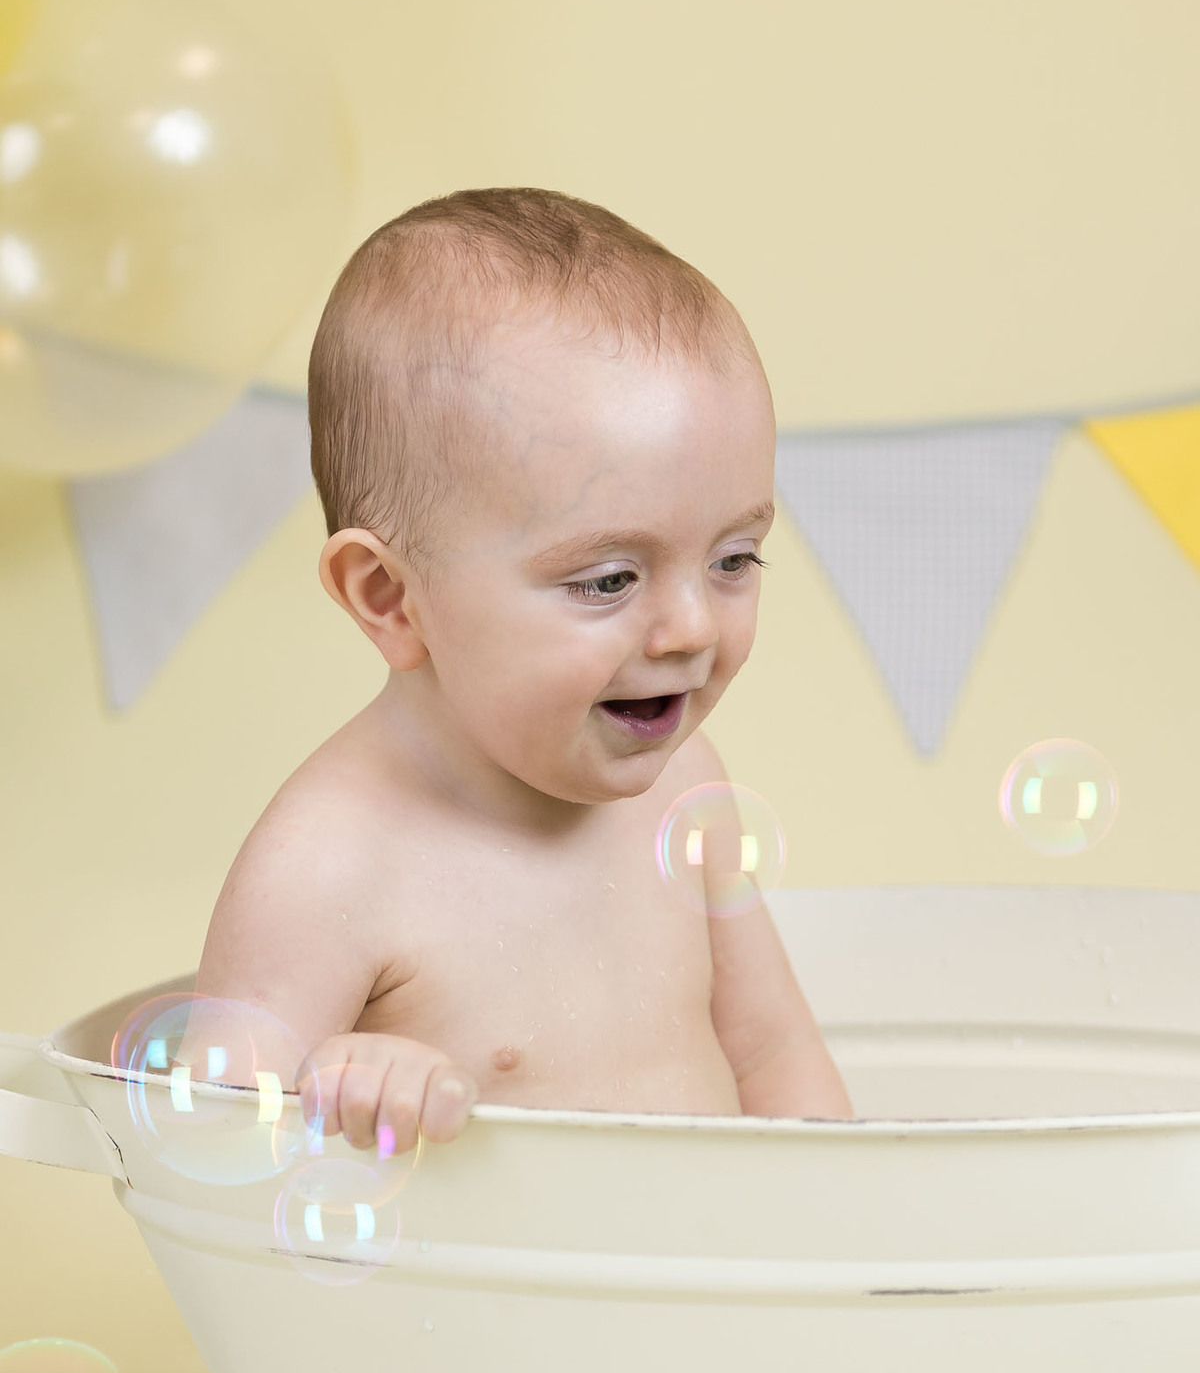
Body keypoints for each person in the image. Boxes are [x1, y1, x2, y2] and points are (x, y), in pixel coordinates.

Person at [192, 186, 853, 1152]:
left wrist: (842, 1255)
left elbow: (771, 1054)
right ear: (390, 597)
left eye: (735, 559)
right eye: (609, 579)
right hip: (466, 1308)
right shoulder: (328, 866)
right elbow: (213, 1156)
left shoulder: (686, 785)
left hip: (717, 1296)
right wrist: (339, 1098)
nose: (689, 627)